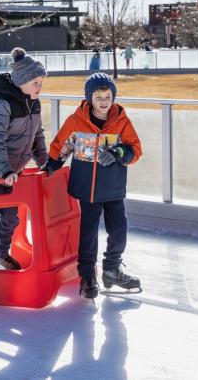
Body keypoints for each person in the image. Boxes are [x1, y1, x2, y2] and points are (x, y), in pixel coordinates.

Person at [43, 72, 143, 299]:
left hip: (113, 188)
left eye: (108, 96)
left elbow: (135, 150)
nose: (104, 101)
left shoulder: (122, 121)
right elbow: (62, 145)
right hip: (87, 190)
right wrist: (51, 164)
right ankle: (87, 275)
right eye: (98, 96)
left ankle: (111, 269)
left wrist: (118, 152)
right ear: (89, 98)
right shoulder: (76, 121)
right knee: (88, 233)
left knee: (118, 230)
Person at [0, 47, 48, 270]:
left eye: (41, 83)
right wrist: (3, 170)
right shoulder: (1, 105)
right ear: (22, 81)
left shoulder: (34, 103)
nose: (39, 88)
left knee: (12, 217)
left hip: (12, 171)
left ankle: (1, 254)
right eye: (36, 83)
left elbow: (37, 136)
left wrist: (45, 162)